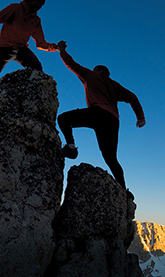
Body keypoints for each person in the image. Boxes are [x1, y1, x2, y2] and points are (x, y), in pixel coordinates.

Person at [57, 40, 146, 199]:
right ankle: (124, 191)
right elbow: (132, 97)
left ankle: (71, 147)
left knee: (63, 119)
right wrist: (140, 117)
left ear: (97, 70)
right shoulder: (114, 85)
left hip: (98, 113)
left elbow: (71, 64)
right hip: (113, 120)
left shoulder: (91, 75)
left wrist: (61, 49)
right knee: (111, 158)